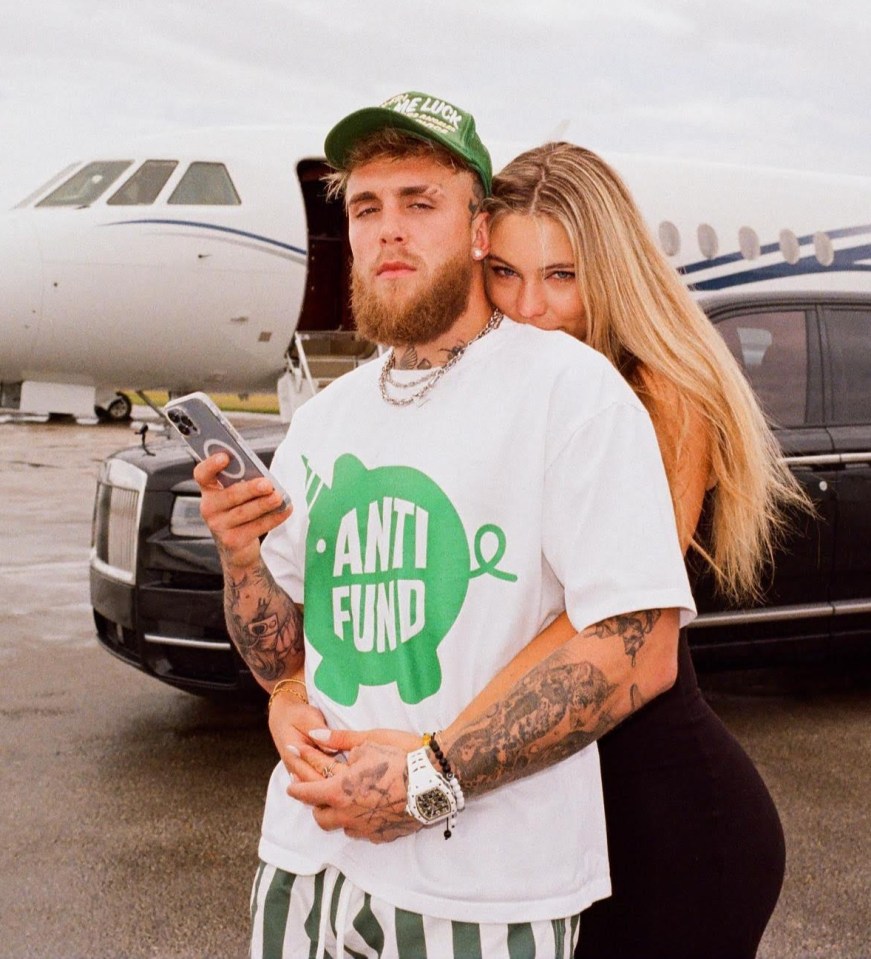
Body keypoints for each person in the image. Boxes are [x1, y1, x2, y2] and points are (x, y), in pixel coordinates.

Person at [195, 91, 695, 959]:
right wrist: (240, 558)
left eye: (419, 202)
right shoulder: (324, 419)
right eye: (366, 206)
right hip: (302, 862)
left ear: (476, 227)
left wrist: (427, 780)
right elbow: (284, 657)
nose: (389, 229)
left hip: (483, 894)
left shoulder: (568, 391)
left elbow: (635, 645)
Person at [480, 142, 806, 959]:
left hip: (670, 825)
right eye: (505, 273)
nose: (527, 307)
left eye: (561, 275)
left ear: (612, 272)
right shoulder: (511, 388)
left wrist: (431, 760)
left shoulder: (656, 392)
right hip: (557, 820)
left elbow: (620, 631)